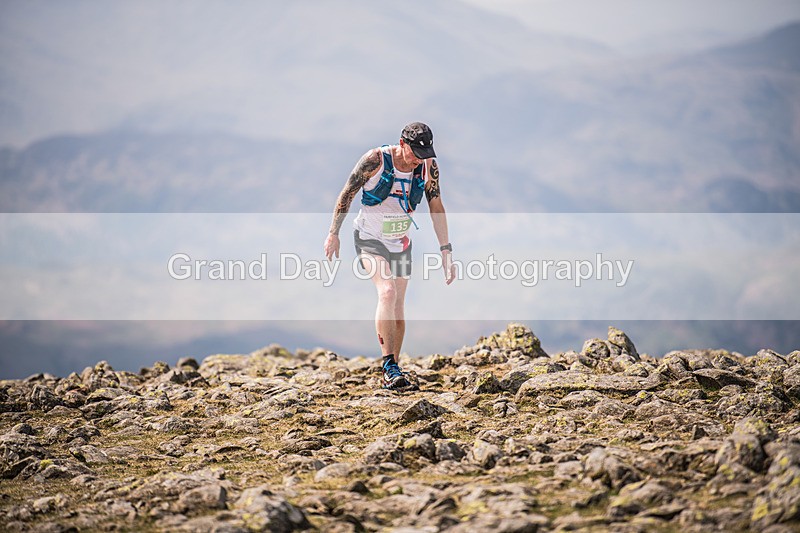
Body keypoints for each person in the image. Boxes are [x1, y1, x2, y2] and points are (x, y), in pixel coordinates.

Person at [324, 122, 456, 390]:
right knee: (387, 292)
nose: (417, 160)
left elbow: (436, 205)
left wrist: (446, 250)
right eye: (413, 153)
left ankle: (394, 373)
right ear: (402, 143)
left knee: (398, 308)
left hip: (400, 241)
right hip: (369, 238)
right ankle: (388, 366)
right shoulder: (376, 160)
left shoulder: (428, 167)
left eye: (424, 153)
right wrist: (333, 233)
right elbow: (347, 194)